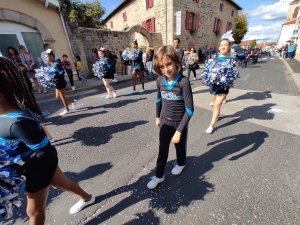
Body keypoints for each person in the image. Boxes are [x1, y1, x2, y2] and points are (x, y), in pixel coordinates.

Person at [0, 57, 95, 225]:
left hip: (37, 167)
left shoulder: (17, 122)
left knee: (33, 211)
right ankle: (87, 198)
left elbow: (46, 152)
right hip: (31, 163)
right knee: (62, 184)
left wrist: (18, 169)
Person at [147, 45, 194, 189]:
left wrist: (179, 130)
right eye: (161, 67)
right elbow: (158, 100)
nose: (166, 69)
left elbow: (190, 109)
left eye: (168, 64)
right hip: (165, 122)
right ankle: (159, 176)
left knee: (179, 147)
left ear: (176, 62)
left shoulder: (183, 82)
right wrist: (157, 117)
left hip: (179, 122)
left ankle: (181, 163)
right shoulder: (160, 81)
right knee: (162, 150)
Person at [201, 32, 240, 134]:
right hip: (213, 85)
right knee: (214, 104)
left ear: (230, 46)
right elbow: (208, 71)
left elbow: (234, 73)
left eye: (225, 45)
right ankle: (216, 115)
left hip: (223, 86)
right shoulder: (214, 58)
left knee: (217, 105)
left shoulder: (232, 59)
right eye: (221, 45)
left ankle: (211, 125)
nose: (223, 47)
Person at [46, 50, 78, 116]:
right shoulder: (52, 64)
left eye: (47, 57)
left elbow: (62, 73)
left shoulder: (57, 64)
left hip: (60, 82)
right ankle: (72, 101)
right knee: (57, 96)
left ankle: (67, 109)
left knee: (62, 96)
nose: (46, 59)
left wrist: (53, 75)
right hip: (57, 82)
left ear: (51, 56)